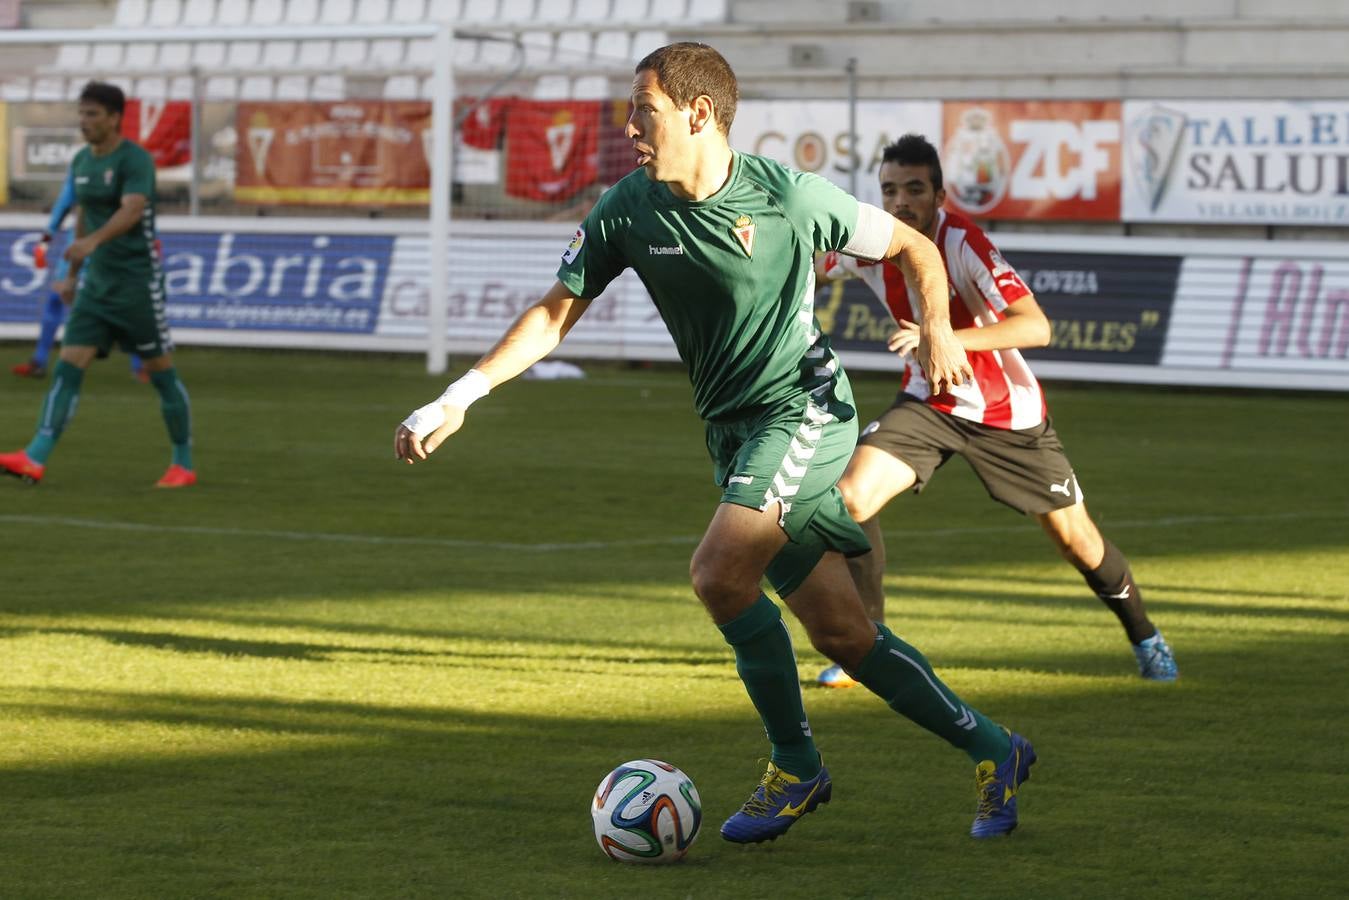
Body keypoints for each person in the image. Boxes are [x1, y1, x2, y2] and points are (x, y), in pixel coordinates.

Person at [394, 45, 1036, 842]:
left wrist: (939, 329)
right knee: (843, 633)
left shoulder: (785, 196)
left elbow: (914, 246)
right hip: (732, 431)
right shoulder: (628, 207)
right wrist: (460, 395)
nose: (628, 125)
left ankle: (795, 766)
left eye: (644, 109)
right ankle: (993, 749)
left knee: (717, 575)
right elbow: (557, 309)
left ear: (697, 114)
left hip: (801, 410)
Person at [813, 133, 1177, 689]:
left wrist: (946, 338)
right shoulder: (873, 240)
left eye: (914, 189)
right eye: (890, 190)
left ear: (939, 195)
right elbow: (816, 265)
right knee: (849, 500)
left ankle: (1146, 637)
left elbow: (1037, 326)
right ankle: (868, 645)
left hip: (1008, 417)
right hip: (929, 403)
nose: (901, 201)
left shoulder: (964, 243)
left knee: (1079, 543)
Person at [0, 81, 195, 488]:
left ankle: (183, 463)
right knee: (68, 367)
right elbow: (85, 214)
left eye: (92, 114)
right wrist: (73, 273)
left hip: (138, 285)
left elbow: (132, 210)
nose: (84, 121)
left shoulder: (134, 160)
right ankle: (34, 457)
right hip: (97, 287)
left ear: (114, 118)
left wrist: (91, 243)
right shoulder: (82, 162)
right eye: (81, 113)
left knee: (161, 373)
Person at [12, 166, 146, 382]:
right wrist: (46, 241)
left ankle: (140, 366)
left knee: (123, 304)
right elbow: (64, 204)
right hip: (83, 241)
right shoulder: (83, 164)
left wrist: (46, 240)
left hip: (111, 244)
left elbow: (137, 209)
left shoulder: (125, 163)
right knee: (57, 298)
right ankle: (39, 361)